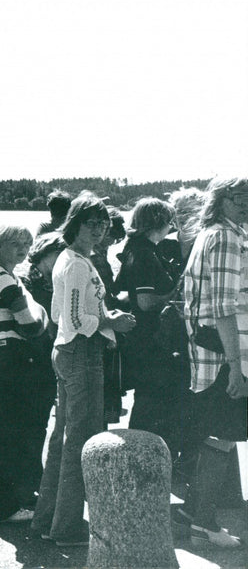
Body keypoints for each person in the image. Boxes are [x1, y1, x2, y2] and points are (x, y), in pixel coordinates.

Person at [31, 192, 136, 547]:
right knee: (81, 440)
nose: (99, 229)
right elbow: (74, 319)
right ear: (75, 223)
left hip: (68, 351)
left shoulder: (72, 258)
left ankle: (47, 520)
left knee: (64, 439)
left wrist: (104, 319)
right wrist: (112, 321)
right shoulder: (76, 263)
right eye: (92, 223)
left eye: (104, 223)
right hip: (81, 353)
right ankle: (66, 528)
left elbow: (61, 315)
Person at [178, 176, 248, 548]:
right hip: (225, 355)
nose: (247, 205)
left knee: (216, 436)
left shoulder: (213, 233)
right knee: (221, 437)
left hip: (213, 353)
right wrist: (236, 367)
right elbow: (223, 308)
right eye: (240, 198)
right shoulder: (225, 237)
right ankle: (203, 525)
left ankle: (195, 512)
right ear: (221, 200)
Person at [0, 225, 55, 523]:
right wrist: (41, 315)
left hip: (16, 359)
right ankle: (3, 508)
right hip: (15, 359)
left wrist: (38, 314)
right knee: (13, 435)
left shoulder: (11, 278)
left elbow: (33, 318)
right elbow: (31, 325)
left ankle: (22, 499)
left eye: (26, 243)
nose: (23, 249)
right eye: (15, 244)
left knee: (22, 433)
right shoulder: (2, 279)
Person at [115, 198, 188, 461]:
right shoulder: (145, 253)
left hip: (141, 338)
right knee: (150, 402)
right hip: (149, 340)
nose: (171, 227)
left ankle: (141, 459)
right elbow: (145, 302)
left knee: (148, 401)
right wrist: (175, 293)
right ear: (157, 222)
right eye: (169, 221)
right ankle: (141, 460)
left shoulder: (137, 247)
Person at [89, 206, 127, 424]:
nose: (110, 243)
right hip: (103, 331)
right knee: (101, 398)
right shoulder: (97, 259)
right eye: (110, 238)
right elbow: (107, 297)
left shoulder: (85, 255)